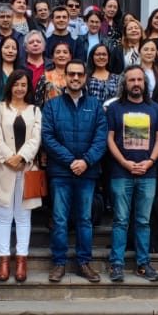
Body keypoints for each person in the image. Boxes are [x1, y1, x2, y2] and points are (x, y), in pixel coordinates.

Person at [42, 59, 108, 283]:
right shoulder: (52, 105)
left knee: (84, 220)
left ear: (85, 77)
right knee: (60, 220)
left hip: (87, 173)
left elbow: (101, 138)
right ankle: (59, 263)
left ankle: (84, 262)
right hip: (61, 173)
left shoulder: (95, 106)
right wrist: (71, 161)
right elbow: (48, 137)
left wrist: (86, 161)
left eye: (80, 74)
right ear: (65, 77)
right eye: (72, 74)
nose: (76, 78)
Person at [0, 70, 42, 283]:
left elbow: (36, 138)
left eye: (23, 85)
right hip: (3, 168)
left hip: (27, 168)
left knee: (24, 216)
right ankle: (4, 260)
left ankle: (21, 260)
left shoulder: (35, 110)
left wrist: (22, 157)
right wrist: (9, 158)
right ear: (10, 86)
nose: (20, 88)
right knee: (4, 216)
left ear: (28, 87)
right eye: (16, 84)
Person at [107, 66, 158, 282]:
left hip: (148, 174)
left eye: (140, 79)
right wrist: (124, 162)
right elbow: (109, 139)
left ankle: (143, 264)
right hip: (121, 172)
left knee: (143, 221)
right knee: (120, 220)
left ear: (145, 83)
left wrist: (150, 162)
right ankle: (116, 265)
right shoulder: (115, 108)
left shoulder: (155, 108)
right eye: (132, 80)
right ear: (125, 83)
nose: (136, 83)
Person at [34, 42, 72, 106]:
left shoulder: (76, 76)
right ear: (52, 58)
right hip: (50, 111)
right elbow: (38, 102)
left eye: (65, 52)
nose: (61, 55)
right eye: (58, 52)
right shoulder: (45, 76)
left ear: (70, 57)